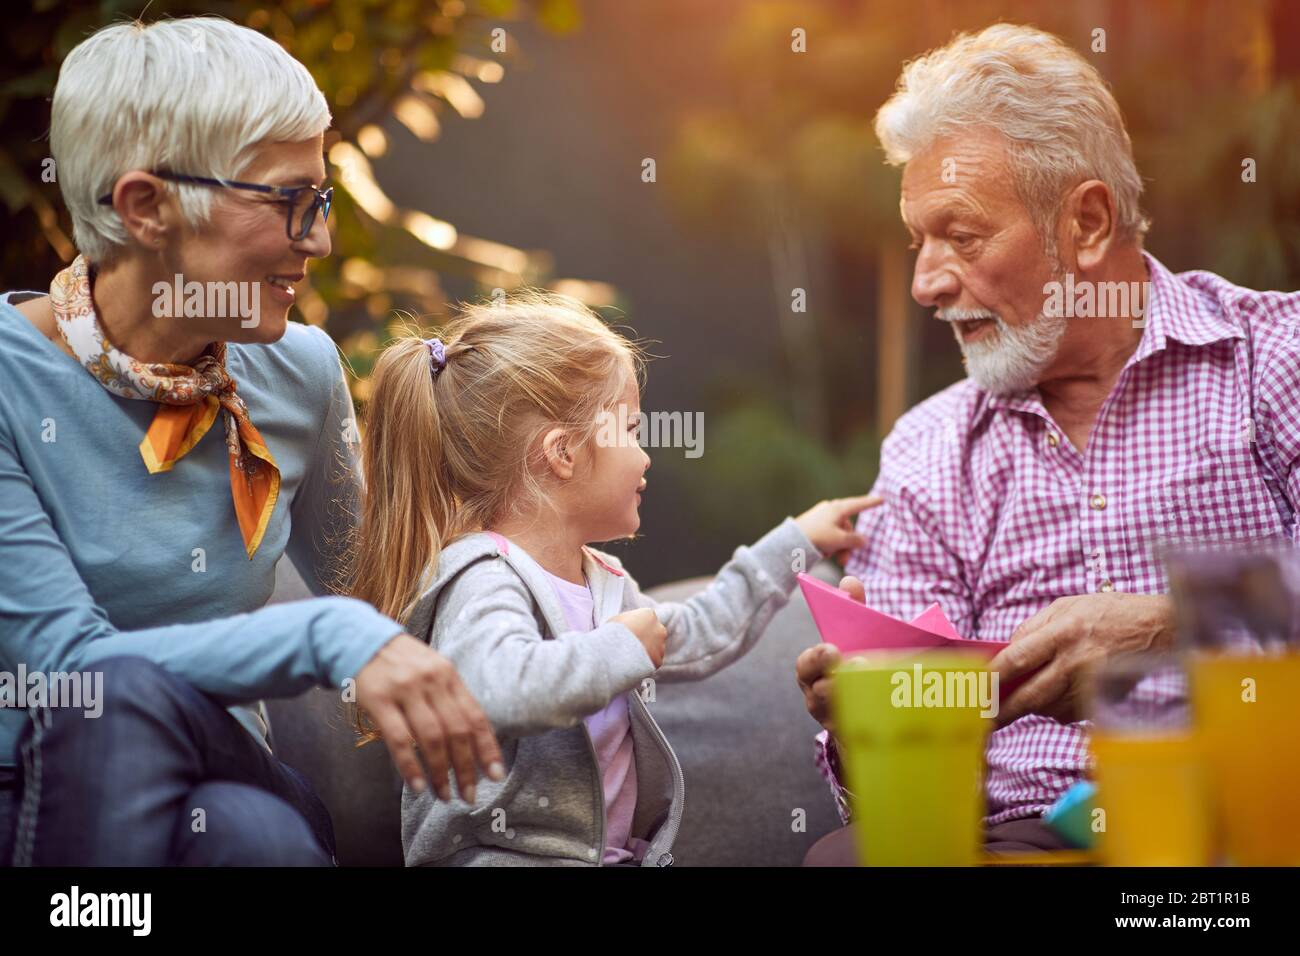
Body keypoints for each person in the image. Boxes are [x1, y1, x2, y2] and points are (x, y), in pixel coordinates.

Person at [0, 16, 502, 867]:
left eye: (325, 198)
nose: (321, 240)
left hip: (225, 766)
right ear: (146, 207)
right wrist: (323, 635)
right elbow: (71, 671)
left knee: (255, 829)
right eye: (289, 200)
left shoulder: (296, 373)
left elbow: (401, 606)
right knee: (249, 836)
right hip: (29, 789)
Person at [796, 23, 1300, 863]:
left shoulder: (1276, 360)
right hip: (1026, 842)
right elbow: (901, 784)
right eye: (918, 240)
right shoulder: (928, 451)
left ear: (1088, 224)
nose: (927, 281)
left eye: (960, 234)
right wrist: (869, 721)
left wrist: (1174, 625)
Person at [347, 290, 876, 865]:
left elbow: (703, 629)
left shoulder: (603, 581)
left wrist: (796, 543)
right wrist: (621, 646)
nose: (647, 456)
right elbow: (498, 688)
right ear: (563, 453)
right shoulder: (482, 575)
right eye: (631, 429)